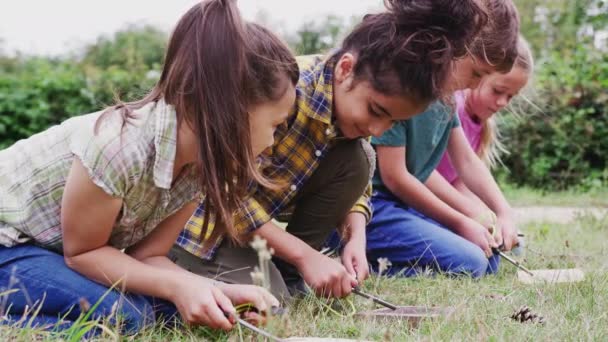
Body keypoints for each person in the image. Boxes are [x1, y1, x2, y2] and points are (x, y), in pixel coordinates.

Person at [0, 0, 298, 334]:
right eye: (275, 124)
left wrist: (216, 292)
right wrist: (178, 288)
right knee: (130, 317)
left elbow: (148, 258)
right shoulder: (120, 147)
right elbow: (82, 254)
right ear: (231, 110)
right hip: (11, 243)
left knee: (172, 310)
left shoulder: (197, 167)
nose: (273, 141)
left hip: (53, 255)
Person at [171, 0, 492, 299]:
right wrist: (304, 254)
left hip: (252, 234)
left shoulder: (349, 115)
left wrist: (356, 236)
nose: (377, 130)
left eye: (391, 122)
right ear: (345, 69)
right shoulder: (282, 94)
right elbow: (223, 192)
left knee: (359, 159)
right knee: (271, 301)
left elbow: (360, 182)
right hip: (200, 228)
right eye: (377, 111)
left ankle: (287, 274)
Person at [364, 0, 522, 278]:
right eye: (476, 73)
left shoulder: (445, 97)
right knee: (471, 262)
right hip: (375, 207)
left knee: (491, 254)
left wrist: (503, 212)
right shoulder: (401, 86)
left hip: (406, 208)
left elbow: (466, 160)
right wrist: (461, 221)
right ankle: (361, 264)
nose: (475, 84)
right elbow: (395, 177)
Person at [436, 35, 534, 207]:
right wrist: (469, 212)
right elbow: (422, 172)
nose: (503, 102)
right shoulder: (451, 108)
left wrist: (487, 214)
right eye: (498, 90)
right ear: (480, 73)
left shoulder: (481, 124)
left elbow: (457, 180)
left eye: (510, 96)